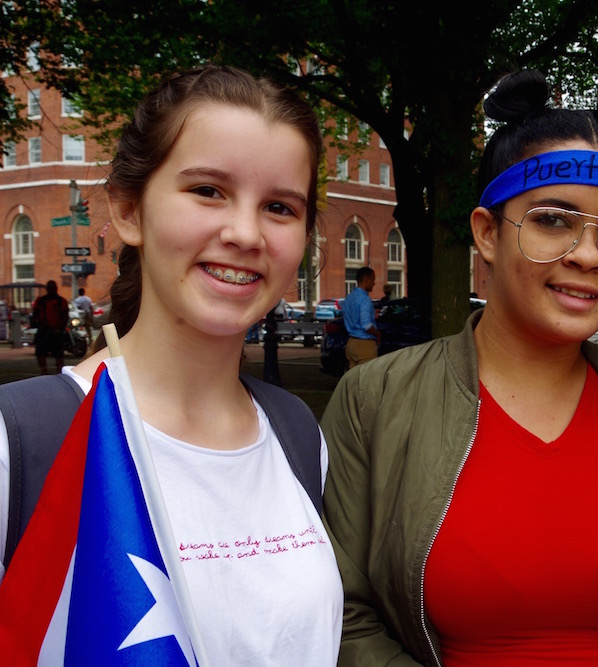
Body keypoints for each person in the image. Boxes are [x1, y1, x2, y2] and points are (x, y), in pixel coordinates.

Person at [322, 68, 598, 666]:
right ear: (486, 234)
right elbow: (341, 612)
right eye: (553, 219)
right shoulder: (374, 400)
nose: (586, 254)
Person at [0, 65, 343, 663]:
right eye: (208, 190)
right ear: (129, 210)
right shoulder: (20, 443)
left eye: (280, 207)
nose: (245, 232)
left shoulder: (298, 435)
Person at [343, 266, 379, 368]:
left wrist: (372, 314)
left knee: (354, 381)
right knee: (367, 380)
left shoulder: (349, 298)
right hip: (364, 345)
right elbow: (366, 325)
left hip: (351, 343)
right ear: (366, 280)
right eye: (373, 280)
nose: (374, 283)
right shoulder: (365, 299)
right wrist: (377, 334)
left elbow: (352, 317)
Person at [31, 280, 69, 374]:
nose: (51, 290)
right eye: (49, 288)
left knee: (59, 354)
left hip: (56, 331)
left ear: (56, 288)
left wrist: (61, 328)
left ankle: (59, 372)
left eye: (52, 287)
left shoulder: (61, 301)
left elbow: (65, 316)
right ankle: (43, 371)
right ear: (47, 289)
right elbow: (35, 314)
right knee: (40, 353)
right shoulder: (40, 301)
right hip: (43, 330)